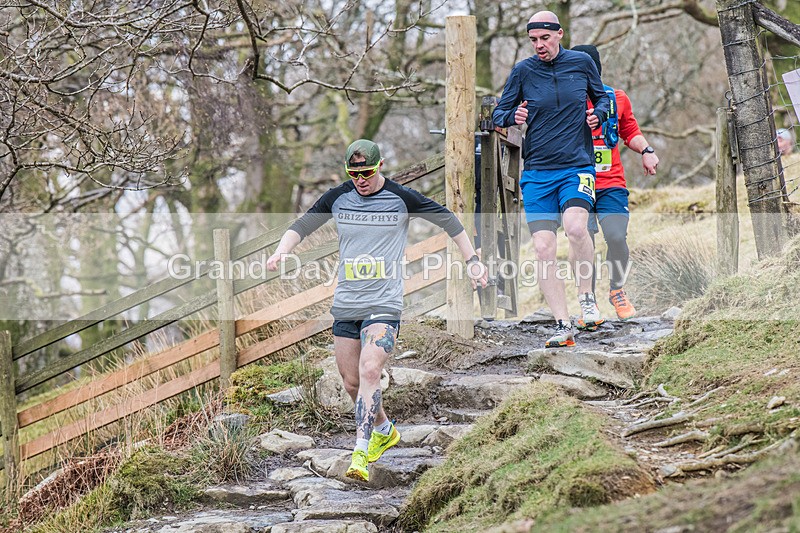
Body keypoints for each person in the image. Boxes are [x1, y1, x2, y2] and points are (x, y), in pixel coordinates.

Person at [266, 139, 487, 482]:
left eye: (367, 172)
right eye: (354, 174)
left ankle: (360, 450)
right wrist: (281, 252)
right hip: (347, 303)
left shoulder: (401, 197)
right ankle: (384, 427)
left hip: (384, 301)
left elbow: (448, 220)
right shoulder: (338, 197)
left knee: (370, 369)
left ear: (379, 165)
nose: (361, 179)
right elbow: (302, 225)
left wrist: (472, 260)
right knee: (352, 381)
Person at [491, 11, 610, 348]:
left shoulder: (582, 63)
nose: (539, 45)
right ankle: (562, 324)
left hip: (576, 166)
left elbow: (602, 98)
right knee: (543, 249)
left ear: (559, 34)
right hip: (538, 173)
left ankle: (586, 298)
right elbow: (499, 113)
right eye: (533, 40)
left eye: (544, 38)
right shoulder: (523, 71)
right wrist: (512, 115)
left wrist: (597, 114)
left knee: (575, 229)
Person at [571, 44, 659, 325]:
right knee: (583, 241)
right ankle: (589, 302)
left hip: (611, 183)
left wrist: (646, 151)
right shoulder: (563, 101)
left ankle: (616, 290)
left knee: (617, 236)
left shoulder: (616, 98)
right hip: (575, 182)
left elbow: (630, 131)